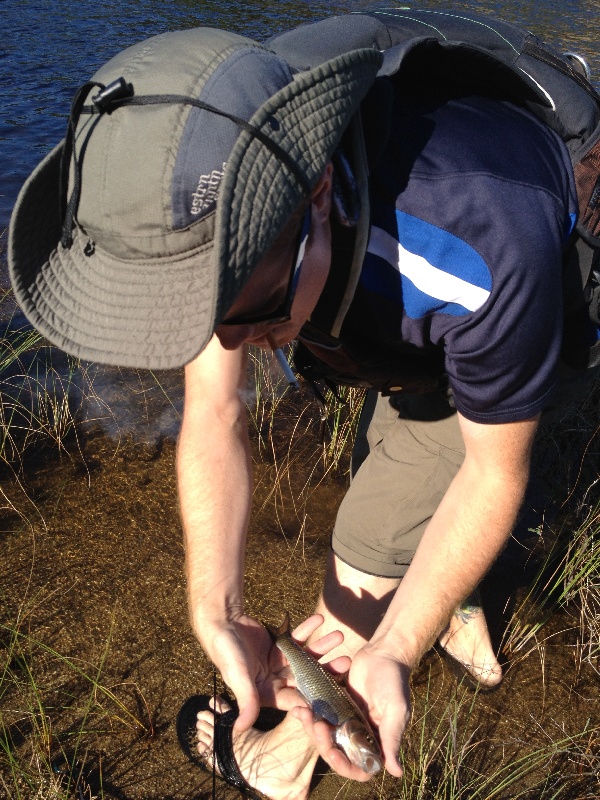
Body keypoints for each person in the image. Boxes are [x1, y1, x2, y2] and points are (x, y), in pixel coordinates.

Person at [8, 9, 598, 800]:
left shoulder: (478, 238)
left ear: (318, 196)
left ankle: (288, 760)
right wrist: (213, 609)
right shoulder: (222, 177)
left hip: (541, 293)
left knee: (373, 531)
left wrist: (394, 647)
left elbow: (496, 472)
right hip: (401, 295)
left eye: (247, 317)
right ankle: (458, 605)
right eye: (198, 316)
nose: (228, 345)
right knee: (385, 473)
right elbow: (215, 414)